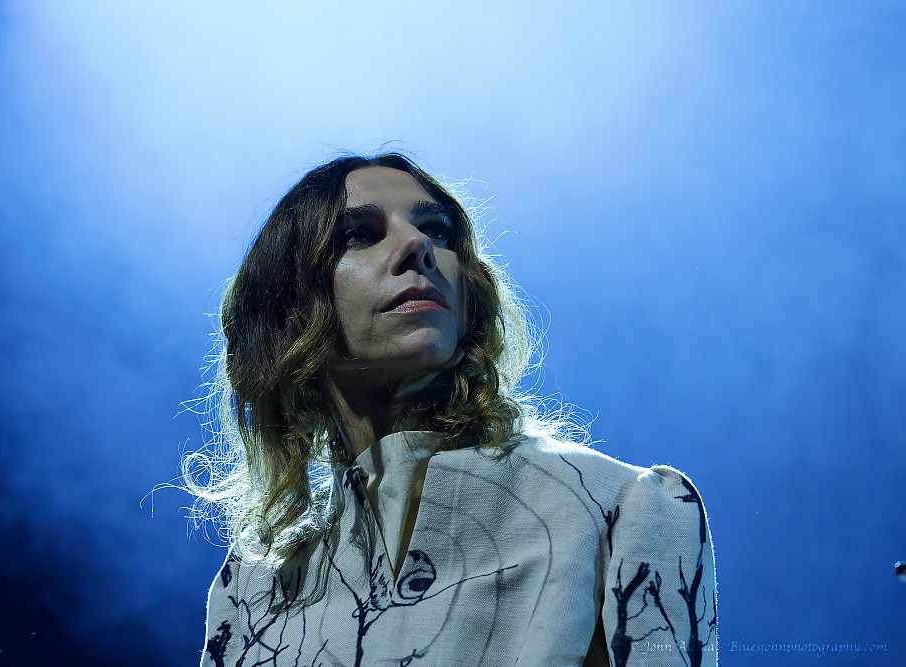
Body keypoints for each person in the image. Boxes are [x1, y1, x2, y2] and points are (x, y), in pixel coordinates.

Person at [185, 153, 718, 666]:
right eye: (358, 235)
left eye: (438, 231)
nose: (417, 245)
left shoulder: (614, 508)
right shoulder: (253, 590)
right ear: (287, 311)